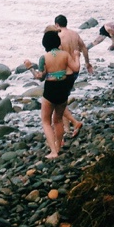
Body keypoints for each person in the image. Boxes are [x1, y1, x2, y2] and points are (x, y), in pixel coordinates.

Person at [25, 29, 79, 159]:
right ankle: (58, 148)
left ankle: (53, 151)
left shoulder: (44, 58)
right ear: (58, 42)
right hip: (63, 88)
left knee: (46, 121)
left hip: (50, 89)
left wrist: (30, 68)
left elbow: (40, 77)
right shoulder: (65, 55)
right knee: (58, 120)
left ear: (45, 44)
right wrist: (77, 55)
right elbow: (76, 68)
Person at [55, 15, 91, 136]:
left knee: (58, 101)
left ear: (56, 25)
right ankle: (67, 129)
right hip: (75, 71)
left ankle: (74, 123)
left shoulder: (58, 36)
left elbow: (57, 55)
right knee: (62, 100)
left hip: (64, 72)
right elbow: (84, 48)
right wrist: (87, 63)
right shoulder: (74, 34)